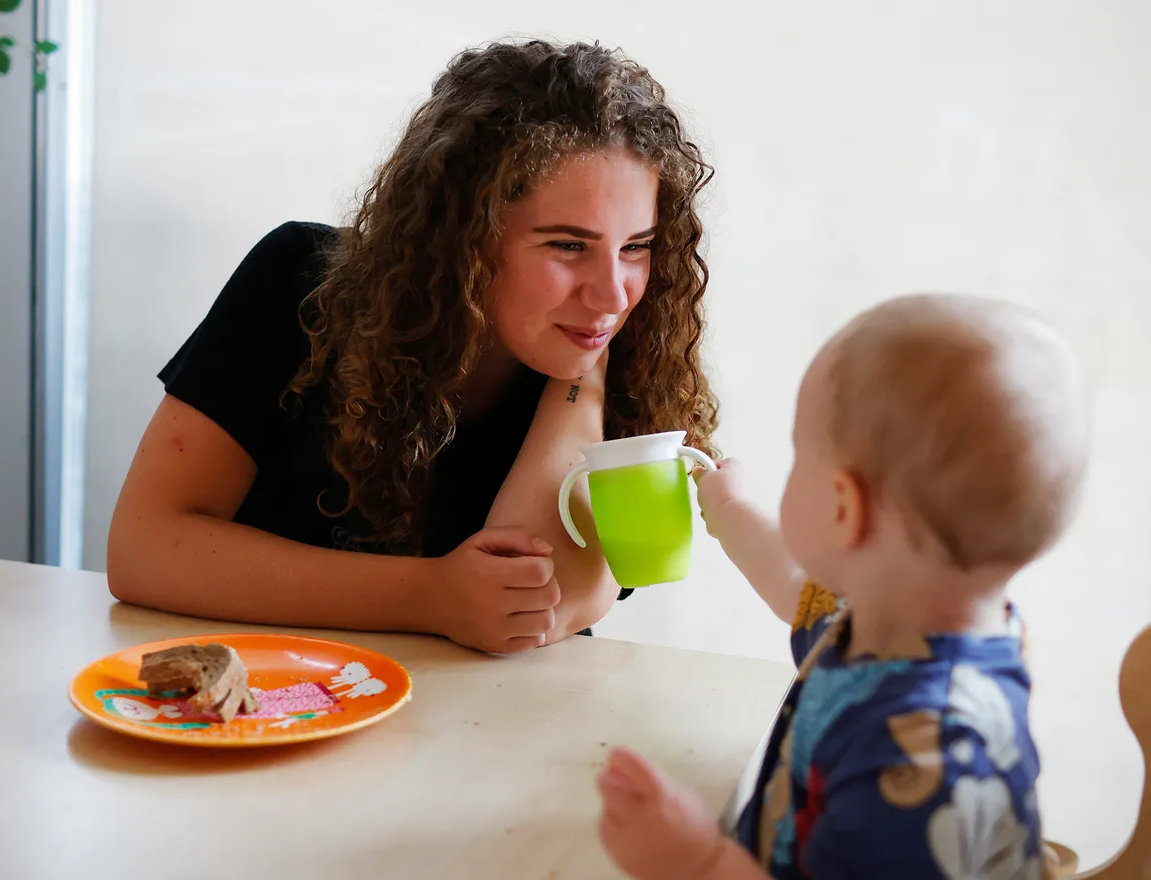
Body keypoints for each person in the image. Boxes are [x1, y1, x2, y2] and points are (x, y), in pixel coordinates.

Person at [106, 40, 718, 655]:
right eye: (567, 246)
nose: (613, 293)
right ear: (464, 239)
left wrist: (581, 379)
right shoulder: (296, 282)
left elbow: (535, 605)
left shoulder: (629, 362)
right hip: (270, 705)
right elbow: (144, 550)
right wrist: (428, 595)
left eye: (636, 246)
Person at [596, 294, 1091, 879]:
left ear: (842, 506)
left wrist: (698, 861)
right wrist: (731, 511)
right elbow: (794, 585)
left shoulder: (920, 762)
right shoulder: (907, 621)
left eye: (799, 455)